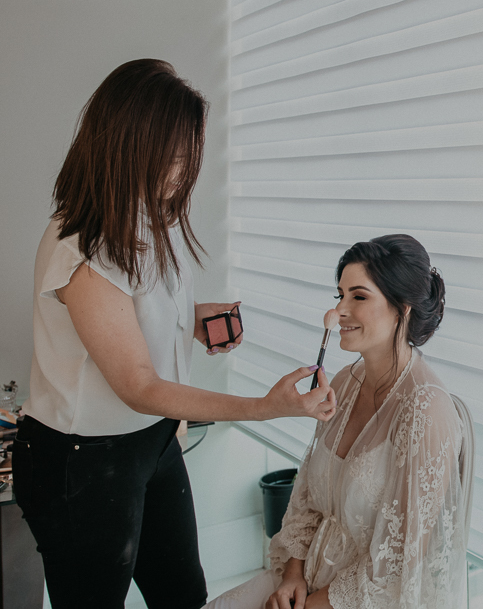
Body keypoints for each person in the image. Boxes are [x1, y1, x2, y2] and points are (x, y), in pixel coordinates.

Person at [12, 59, 338, 609]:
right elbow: (136, 383)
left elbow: (140, 311)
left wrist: (191, 320)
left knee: (183, 595)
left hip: (153, 441)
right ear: (132, 145)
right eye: (179, 156)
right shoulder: (82, 249)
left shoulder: (142, 220)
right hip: (83, 460)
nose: (187, 171)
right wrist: (265, 406)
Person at [206, 234, 474, 609]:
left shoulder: (426, 412)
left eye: (359, 297)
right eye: (339, 295)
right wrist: (293, 574)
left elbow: (397, 564)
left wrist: (313, 603)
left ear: (403, 308)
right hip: (305, 576)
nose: (338, 311)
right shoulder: (346, 382)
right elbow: (307, 498)